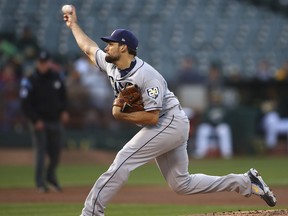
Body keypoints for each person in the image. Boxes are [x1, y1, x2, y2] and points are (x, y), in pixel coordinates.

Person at [63, 6, 276, 216]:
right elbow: (88, 48)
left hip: (168, 122)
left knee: (123, 160)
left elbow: (153, 117)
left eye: (111, 43)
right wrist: (73, 25)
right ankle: (246, 182)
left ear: (124, 48)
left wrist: (121, 115)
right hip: (169, 124)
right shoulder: (112, 65)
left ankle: (91, 212)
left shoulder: (146, 76)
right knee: (181, 184)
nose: (107, 47)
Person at [20, 50, 69, 192]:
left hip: (55, 120)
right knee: (41, 153)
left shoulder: (56, 77)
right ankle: (40, 183)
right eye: (41, 62)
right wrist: (35, 120)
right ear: (37, 63)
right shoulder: (30, 79)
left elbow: (63, 96)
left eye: (45, 62)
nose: (43, 65)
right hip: (39, 122)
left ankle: (50, 177)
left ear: (49, 63)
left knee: (56, 152)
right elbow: (25, 104)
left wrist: (64, 111)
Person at [193, 91, 233, 159]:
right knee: (203, 129)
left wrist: (218, 124)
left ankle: (226, 152)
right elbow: (204, 119)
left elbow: (227, 119)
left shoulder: (224, 108)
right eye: (214, 98)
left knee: (224, 129)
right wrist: (212, 124)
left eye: (217, 97)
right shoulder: (209, 107)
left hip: (220, 126)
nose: (215, 99)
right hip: (210, 126)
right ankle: (200, 152)